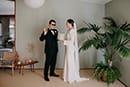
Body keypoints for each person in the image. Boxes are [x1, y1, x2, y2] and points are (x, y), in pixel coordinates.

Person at [61, 19, 89, 83]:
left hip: (70, 48)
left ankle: (71, 77)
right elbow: (68, 39)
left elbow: (71, 41)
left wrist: (64, 41)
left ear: (70, 24)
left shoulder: (72, 31)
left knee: (70, 61)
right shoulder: (69, 30)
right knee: (67, 60)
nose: (66, 24)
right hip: (68, 47)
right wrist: (64, 40)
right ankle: (67, 76)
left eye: (67, 23)